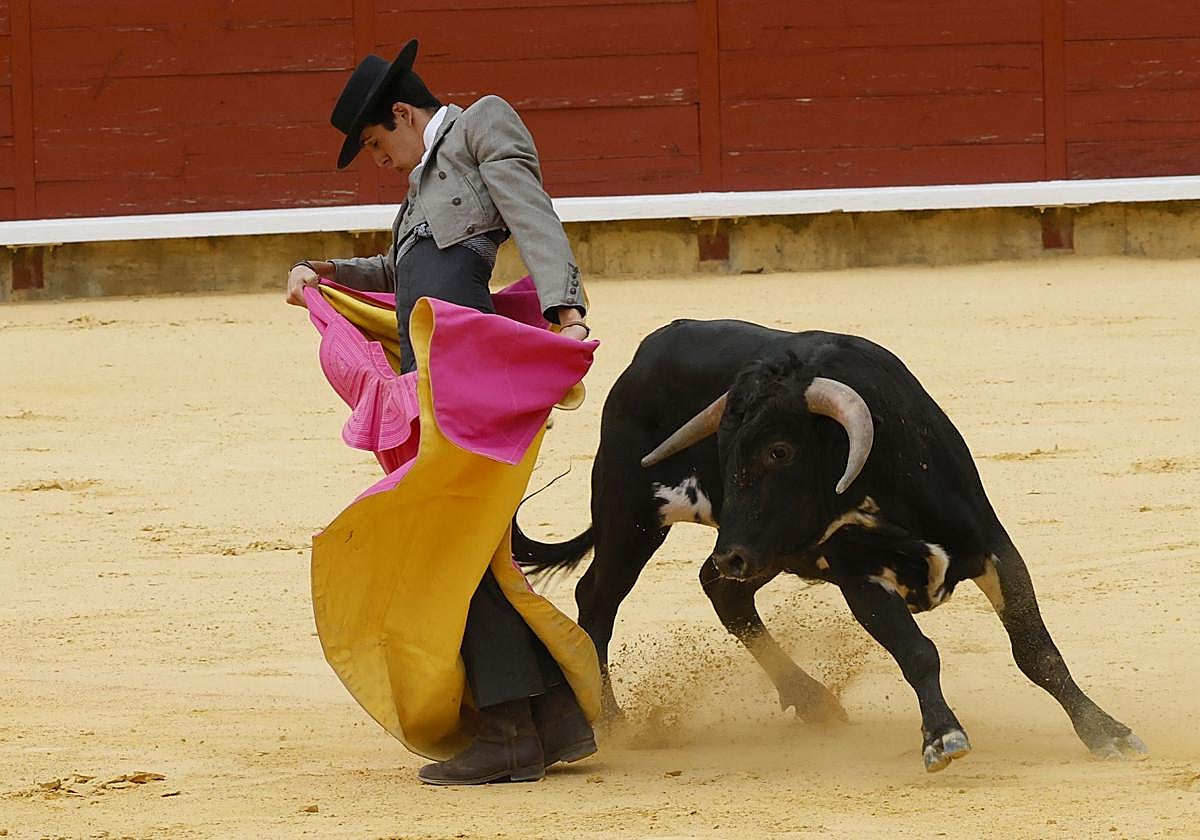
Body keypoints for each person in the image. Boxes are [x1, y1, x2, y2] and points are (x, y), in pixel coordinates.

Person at [285, 39, 596, 785]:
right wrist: (329, 273)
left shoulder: (482, 124)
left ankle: (515, 729)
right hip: (431, 385)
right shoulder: (422, 187)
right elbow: (408, 271)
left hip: (470, 383)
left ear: (401, 112)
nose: (376, 159)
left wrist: (566, 307)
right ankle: (552, 719)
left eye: (374, 142)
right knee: (468, 548)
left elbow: (532, 213)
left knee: (444, 547)